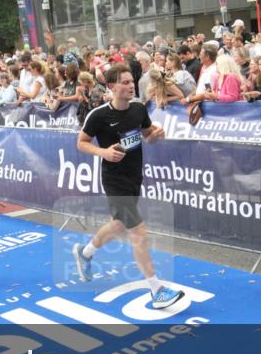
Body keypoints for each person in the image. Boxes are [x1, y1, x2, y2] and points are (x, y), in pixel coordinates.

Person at [72, 65, 184, 310]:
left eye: (131, 81)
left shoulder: (138, 108)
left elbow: (147, 135)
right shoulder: (99, 115)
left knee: (119, 224)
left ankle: (86, 253)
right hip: (114, 180)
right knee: (138, 231)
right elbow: (81, 143)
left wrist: (156, 134)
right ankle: (157, 290)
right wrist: (103, 152)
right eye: (124, 82)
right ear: (112, 87)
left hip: (134, 176)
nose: (131, 85)